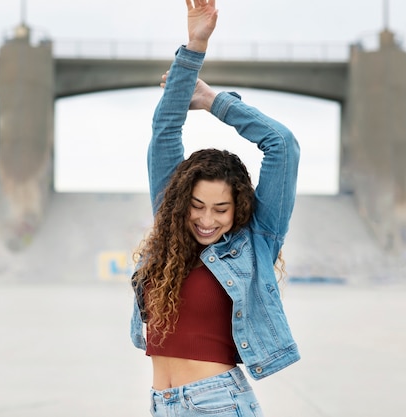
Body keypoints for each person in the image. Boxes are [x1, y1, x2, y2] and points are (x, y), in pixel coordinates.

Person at [130, 0, 301, 415]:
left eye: (221, 209)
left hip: (218, 403)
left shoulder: (257, 238)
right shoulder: (169, 226)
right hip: (162, 403)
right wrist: (194, 45)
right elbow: (165, 128)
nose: (207, 220)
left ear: (238, 208)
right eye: (197, 206)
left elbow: (282, 145)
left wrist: (213, 101)